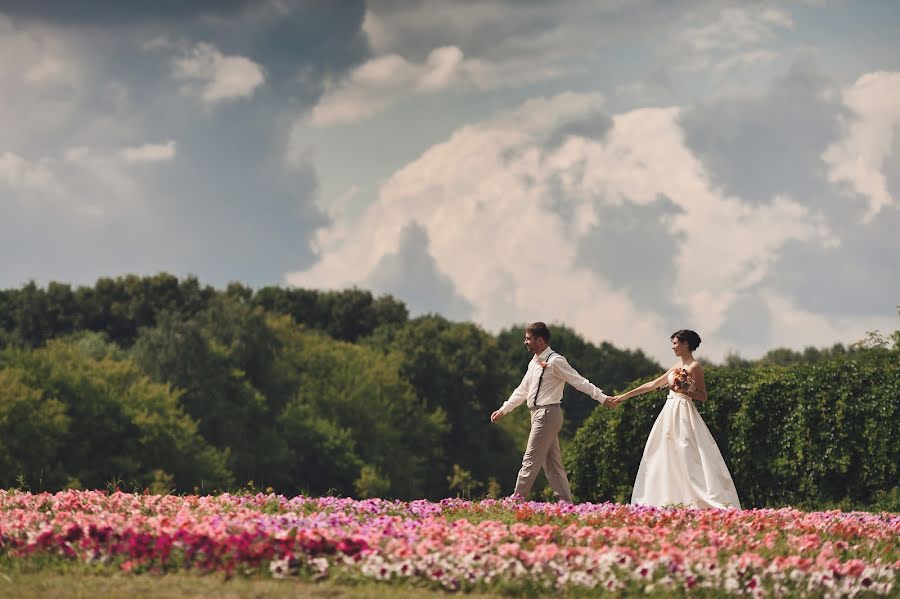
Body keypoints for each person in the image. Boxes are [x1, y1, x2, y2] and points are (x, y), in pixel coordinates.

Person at [610, 330, 741, 509]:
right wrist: (625, 396)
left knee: (687, 451)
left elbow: (703, 395)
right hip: (669, 411)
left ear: (685, 344)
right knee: (664, 451)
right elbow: (653, 384)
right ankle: (666, 496)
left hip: (684, 410)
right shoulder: (676, 367)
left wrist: (684, 390)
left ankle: (695, 497)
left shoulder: (695, 367)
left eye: (675, 343)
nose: (673, 347)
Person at [490, 322, 612, 503]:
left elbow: (578, 381)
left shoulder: (555, 361)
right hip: (538, 415)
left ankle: (515, 501)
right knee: (553, 465)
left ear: (540, 340)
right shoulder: (534, 363)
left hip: (547, 414)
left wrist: (602, 398)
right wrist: (504, 409)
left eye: (528, 338)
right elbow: (522, 390)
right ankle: (567, 505)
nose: (525, 342)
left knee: (530, 460)